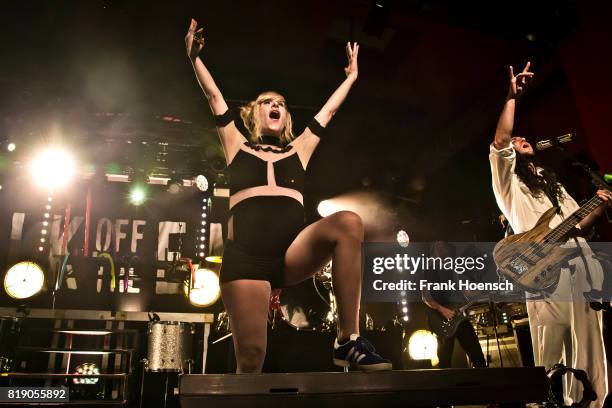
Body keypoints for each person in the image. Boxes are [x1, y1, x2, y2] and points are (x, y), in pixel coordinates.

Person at [184, 18, 391, 373]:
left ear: (286, 115)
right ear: (254, 112)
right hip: (246, 259)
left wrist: (351, 78)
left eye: (280, 102)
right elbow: (214, 97)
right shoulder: (236, 144)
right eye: (267, 101)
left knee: (348, 223)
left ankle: (348, 340)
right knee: (250, 358)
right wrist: (194, 59)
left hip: (290, 254)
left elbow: (329, 111)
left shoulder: (300, 149)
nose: (275, 105)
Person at [489, 61, 610, 406]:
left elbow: (579, 222)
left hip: (577, 263)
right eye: (517, 139)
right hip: (539, 265)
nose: (522, 138)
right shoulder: (507, 182)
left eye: (524, 137)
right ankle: (540, 401)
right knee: (547, 347)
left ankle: (589, 402)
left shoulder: (551, 183)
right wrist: (512, 96)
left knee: (588, 341)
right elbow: (500, 140)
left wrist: (599, 204)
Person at [421, 241, 487, 368]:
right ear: (433, 252)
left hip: (459, 318)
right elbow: (425, 297)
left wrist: (482, 291)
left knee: (478, 359)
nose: (442, 250)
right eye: (438, 247)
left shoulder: (455, 269)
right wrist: (442, 310)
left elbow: (466, 292)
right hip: (441, 319)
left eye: (443, 247)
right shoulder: (430, 270)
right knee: (445, 362)